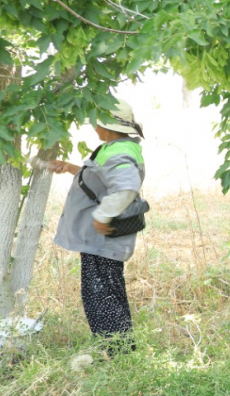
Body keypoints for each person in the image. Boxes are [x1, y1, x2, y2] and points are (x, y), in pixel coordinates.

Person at [48, 100, 148, 355]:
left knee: (100, 294)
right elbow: (103, 178)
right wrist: (72, 168)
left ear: (108, 126)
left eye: (97, 122)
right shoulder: (115, 147)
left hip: (104, 238)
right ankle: (121, 350)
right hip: (100, 240)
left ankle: (116, 353)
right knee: (107, 290)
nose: (94, 127)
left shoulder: (119, 152)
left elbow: (126, 187)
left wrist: (102, 216)